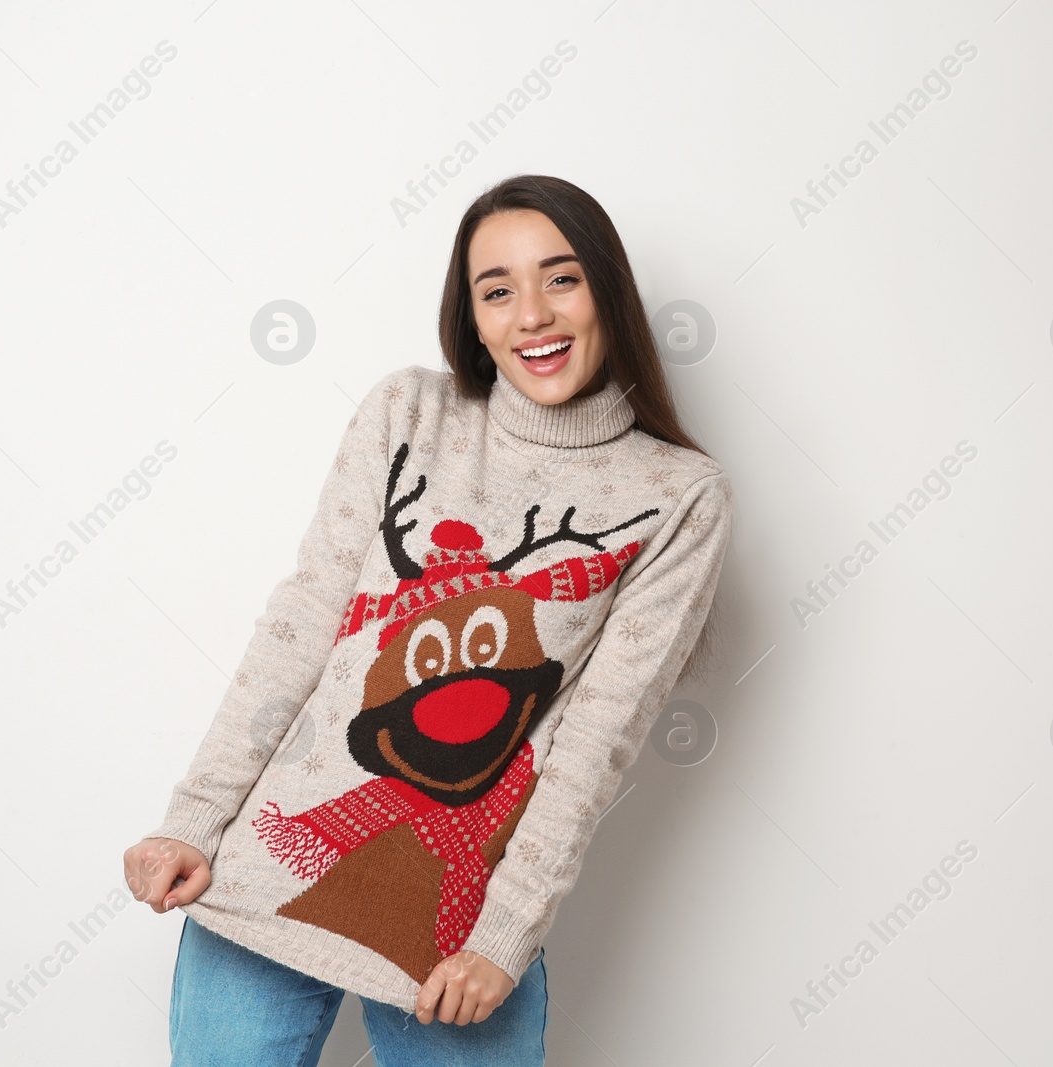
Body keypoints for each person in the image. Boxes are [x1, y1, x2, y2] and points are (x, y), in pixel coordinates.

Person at [123, 174, 734, 1066]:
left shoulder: (678, 498)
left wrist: (504, 937)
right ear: (474, 320)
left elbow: (594, 743)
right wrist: (194, 816)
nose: (532, 313)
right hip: (258, 876)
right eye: (498, 291)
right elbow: (301, 623)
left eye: (561, 278)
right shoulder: (409, 412)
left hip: (463, 933)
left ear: (608, 289)